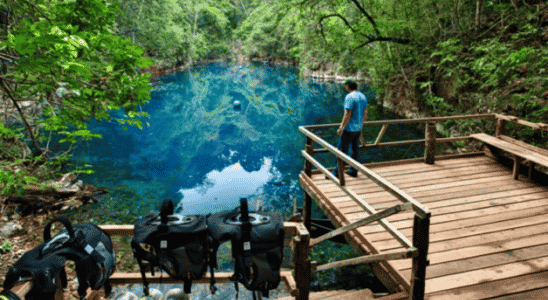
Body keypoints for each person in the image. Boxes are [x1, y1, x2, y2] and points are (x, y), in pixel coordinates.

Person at [331, 79, 368, 178]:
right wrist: (360, 123)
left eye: (345, 86)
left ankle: (336, 173)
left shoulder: (349, 97)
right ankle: (353, 170)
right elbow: (365, 113)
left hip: (349, 129)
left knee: (341, 151)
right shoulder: (362, 96)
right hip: (358, 128)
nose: (345, 87)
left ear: (348, 86)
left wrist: (341, 127)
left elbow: (347, 113)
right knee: (355, 150)